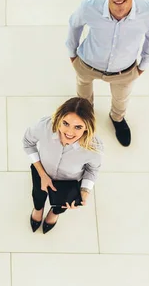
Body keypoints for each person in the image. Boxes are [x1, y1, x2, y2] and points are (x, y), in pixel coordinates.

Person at [66, 0, 149, 146]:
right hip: (88, 63)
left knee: (121, 99)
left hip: (124, 70)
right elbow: (74, 24)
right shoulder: (90, 5)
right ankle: (85, 117)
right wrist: (73, 54)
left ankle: (117, 119)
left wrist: (142, 66)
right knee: (83, 94)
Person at [23, 97, 102, 234]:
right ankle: (38, 209)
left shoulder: (94, 146)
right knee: (38, 194)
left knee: (62, 204)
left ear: (86, 128)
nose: (69, 132)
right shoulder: (45, 126)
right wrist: (42, 174)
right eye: (65, 123)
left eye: (78, 127)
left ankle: (55, 213)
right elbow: (28, 142)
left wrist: (85, 190)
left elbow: (93, 169)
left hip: (69, 181)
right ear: (58, 118)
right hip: (42, 171)